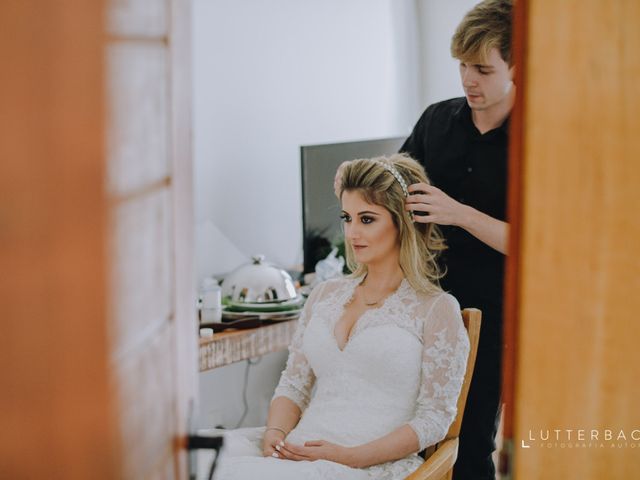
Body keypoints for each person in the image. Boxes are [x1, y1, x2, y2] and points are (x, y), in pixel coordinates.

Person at [203, 154, 470, 480]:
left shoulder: (437, 309)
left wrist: (351, 458)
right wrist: (275, 433)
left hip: (368, 465)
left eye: (367, 219)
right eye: (347, 218)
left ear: (404, 221)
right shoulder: (324, 294)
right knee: (191, 459)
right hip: (295, 452)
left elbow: (435, 418)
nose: (352, 232)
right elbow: (293, 384)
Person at [400, 1, 514, 479]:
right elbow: (396, 192)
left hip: (494, 318)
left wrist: (460, 214)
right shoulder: (436, 120)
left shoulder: (543, 138)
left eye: (483, 70)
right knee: (412, 440)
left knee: (469, 450)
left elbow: (542, 248)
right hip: (422, 309)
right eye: (463, 66)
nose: (469, 80)